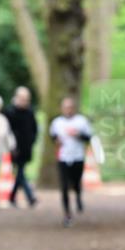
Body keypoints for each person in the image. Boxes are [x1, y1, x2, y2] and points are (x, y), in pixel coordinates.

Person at [49, 96, 93, 227]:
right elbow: (53, 136)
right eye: (65, 107)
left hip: (78, 157)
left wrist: (78, 134)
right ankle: (67, 214)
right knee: (64, 186)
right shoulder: (57, 122)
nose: (68, 110)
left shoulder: (81, 121)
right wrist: (56, 140)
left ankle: (78, 197)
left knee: (76, 182)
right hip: (63, 157)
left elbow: (88, 137)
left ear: (74, 108)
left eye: (70, 107)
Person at [4, 86, 38, 207]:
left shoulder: (30, 112)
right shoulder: (10, 112)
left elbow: (34, 129)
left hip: (26, 147)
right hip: (14, 148)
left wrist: (32, 140)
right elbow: (6, 130)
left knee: (20, 172)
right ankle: (30, 196)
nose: (25, 101)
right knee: (20, 172)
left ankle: (12, 197)